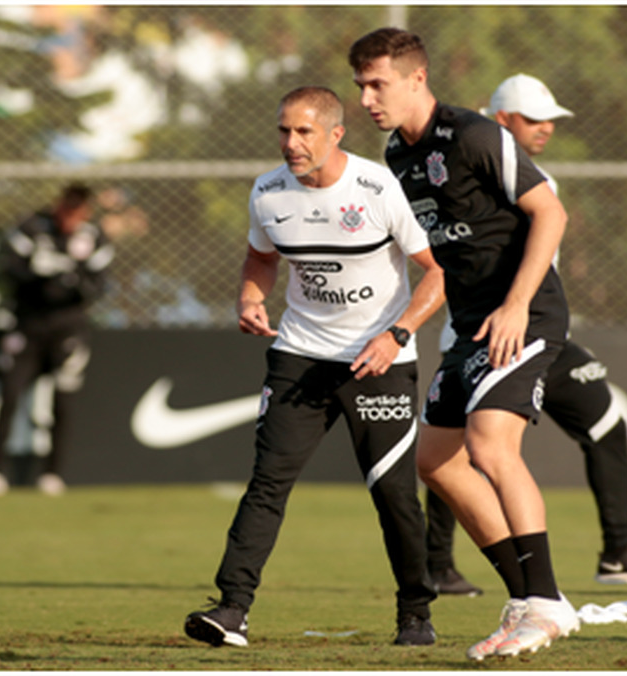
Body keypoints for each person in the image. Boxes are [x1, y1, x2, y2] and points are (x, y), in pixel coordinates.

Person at [183, 86, 445, 649]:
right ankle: (232, 610)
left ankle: (415, 614)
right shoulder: (268, 191)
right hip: (299, 356)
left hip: (381, 362)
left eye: (303, 132)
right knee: (267, 483)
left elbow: (437, 272)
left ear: (335, 134)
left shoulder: (377, 188)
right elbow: (261, 256)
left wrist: (396, 334)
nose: (291, 143)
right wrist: (251, 298)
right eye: (283, 130)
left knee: (394, 494)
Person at [349, 28, 578, 661]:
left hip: (523, 315)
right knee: (435, 460)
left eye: (378, 84)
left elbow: (551, 214)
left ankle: (546, 601)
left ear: (416, 79)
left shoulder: (475, 135)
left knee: (490, 443)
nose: (367, 98)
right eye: (360, 86)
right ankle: (527, 598)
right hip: (470, 320)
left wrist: (515, 304)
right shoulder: (397, 155)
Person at [425, 74, 627, 591]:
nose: (547, 129)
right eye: (535, 119)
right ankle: (446, 566)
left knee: (599, 424)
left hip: (533, 330)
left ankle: (615, 550)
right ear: (501, 119)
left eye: (551, 120)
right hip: (489, 336)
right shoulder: (468, 169)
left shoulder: (531, 179)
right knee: (454, 453)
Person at [0, 183, 113, 496]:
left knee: (62, 402)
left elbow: (97, 286)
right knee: (9, 394)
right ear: (58, 206)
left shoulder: (94, 238)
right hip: (28, 326)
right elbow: (11, 269)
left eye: (78, 215)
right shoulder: (32, 228)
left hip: (69, 330)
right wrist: (40, 275)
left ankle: (52, 474)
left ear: (86, 213)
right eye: (67, 212)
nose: (70, 221)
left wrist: (67, 278)